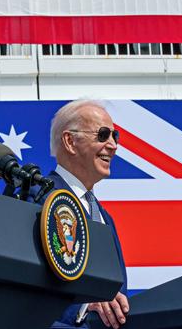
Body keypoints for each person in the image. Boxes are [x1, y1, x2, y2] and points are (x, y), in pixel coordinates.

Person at [32, 99, 129, 329]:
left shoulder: (105, 218)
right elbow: (25, 288)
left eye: (115, 136)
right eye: (103, 135)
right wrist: (83, 308)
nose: (113, 145)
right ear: (70, 141)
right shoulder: (36, 199)